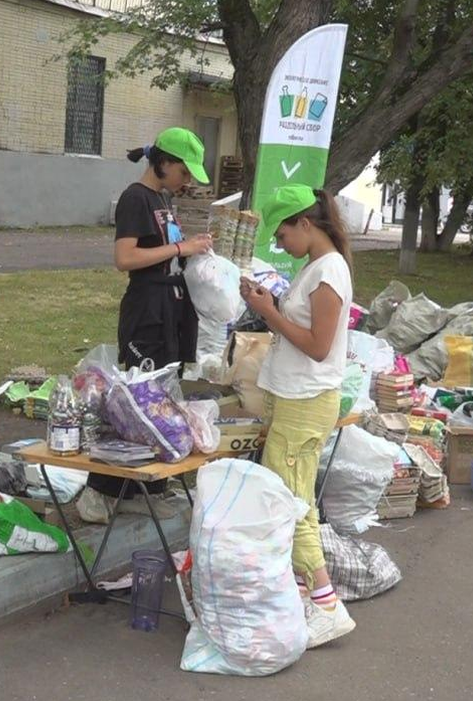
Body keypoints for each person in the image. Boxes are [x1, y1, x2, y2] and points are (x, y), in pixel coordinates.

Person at [76, 127, 213, 524]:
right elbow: (125, 257)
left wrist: (192, 250)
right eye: (184, 173)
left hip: (169, 309)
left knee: (163, 400)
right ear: (163, 162)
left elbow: (166, 251)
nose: (186, 182)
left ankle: (143, 486)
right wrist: (179, 248)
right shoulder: (136, 198)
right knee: (135, 404)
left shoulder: (162, 199)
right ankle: (99, 490)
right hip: (146, 311)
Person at [239, 184, 356, 648]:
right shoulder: (317, 267)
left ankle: (326, 605)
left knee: (294, 505)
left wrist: (269, 313)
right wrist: (269, 303)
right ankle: (307, 594)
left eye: (284, 234)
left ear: (306, 224)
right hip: (293, 399)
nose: (281, 244)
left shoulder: (329, 273)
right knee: (290, 499)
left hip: (307, 401)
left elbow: (317, 346)